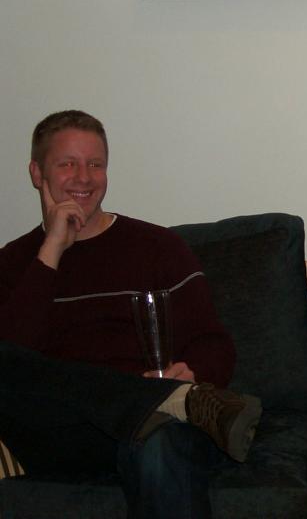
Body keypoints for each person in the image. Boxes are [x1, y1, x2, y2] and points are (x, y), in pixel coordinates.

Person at [0, 110, 261, 519]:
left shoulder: (158, 248)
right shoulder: (14, 263)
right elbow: (12, 360)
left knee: (159, 439)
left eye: (95, 164)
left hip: (156, 432)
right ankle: (161, 402)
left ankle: (159, 405)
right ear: (37, 173)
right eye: (67, 164)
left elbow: (214, 343)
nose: (84, 177)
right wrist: (51, 250)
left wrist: (194, 372)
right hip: (61, 434)